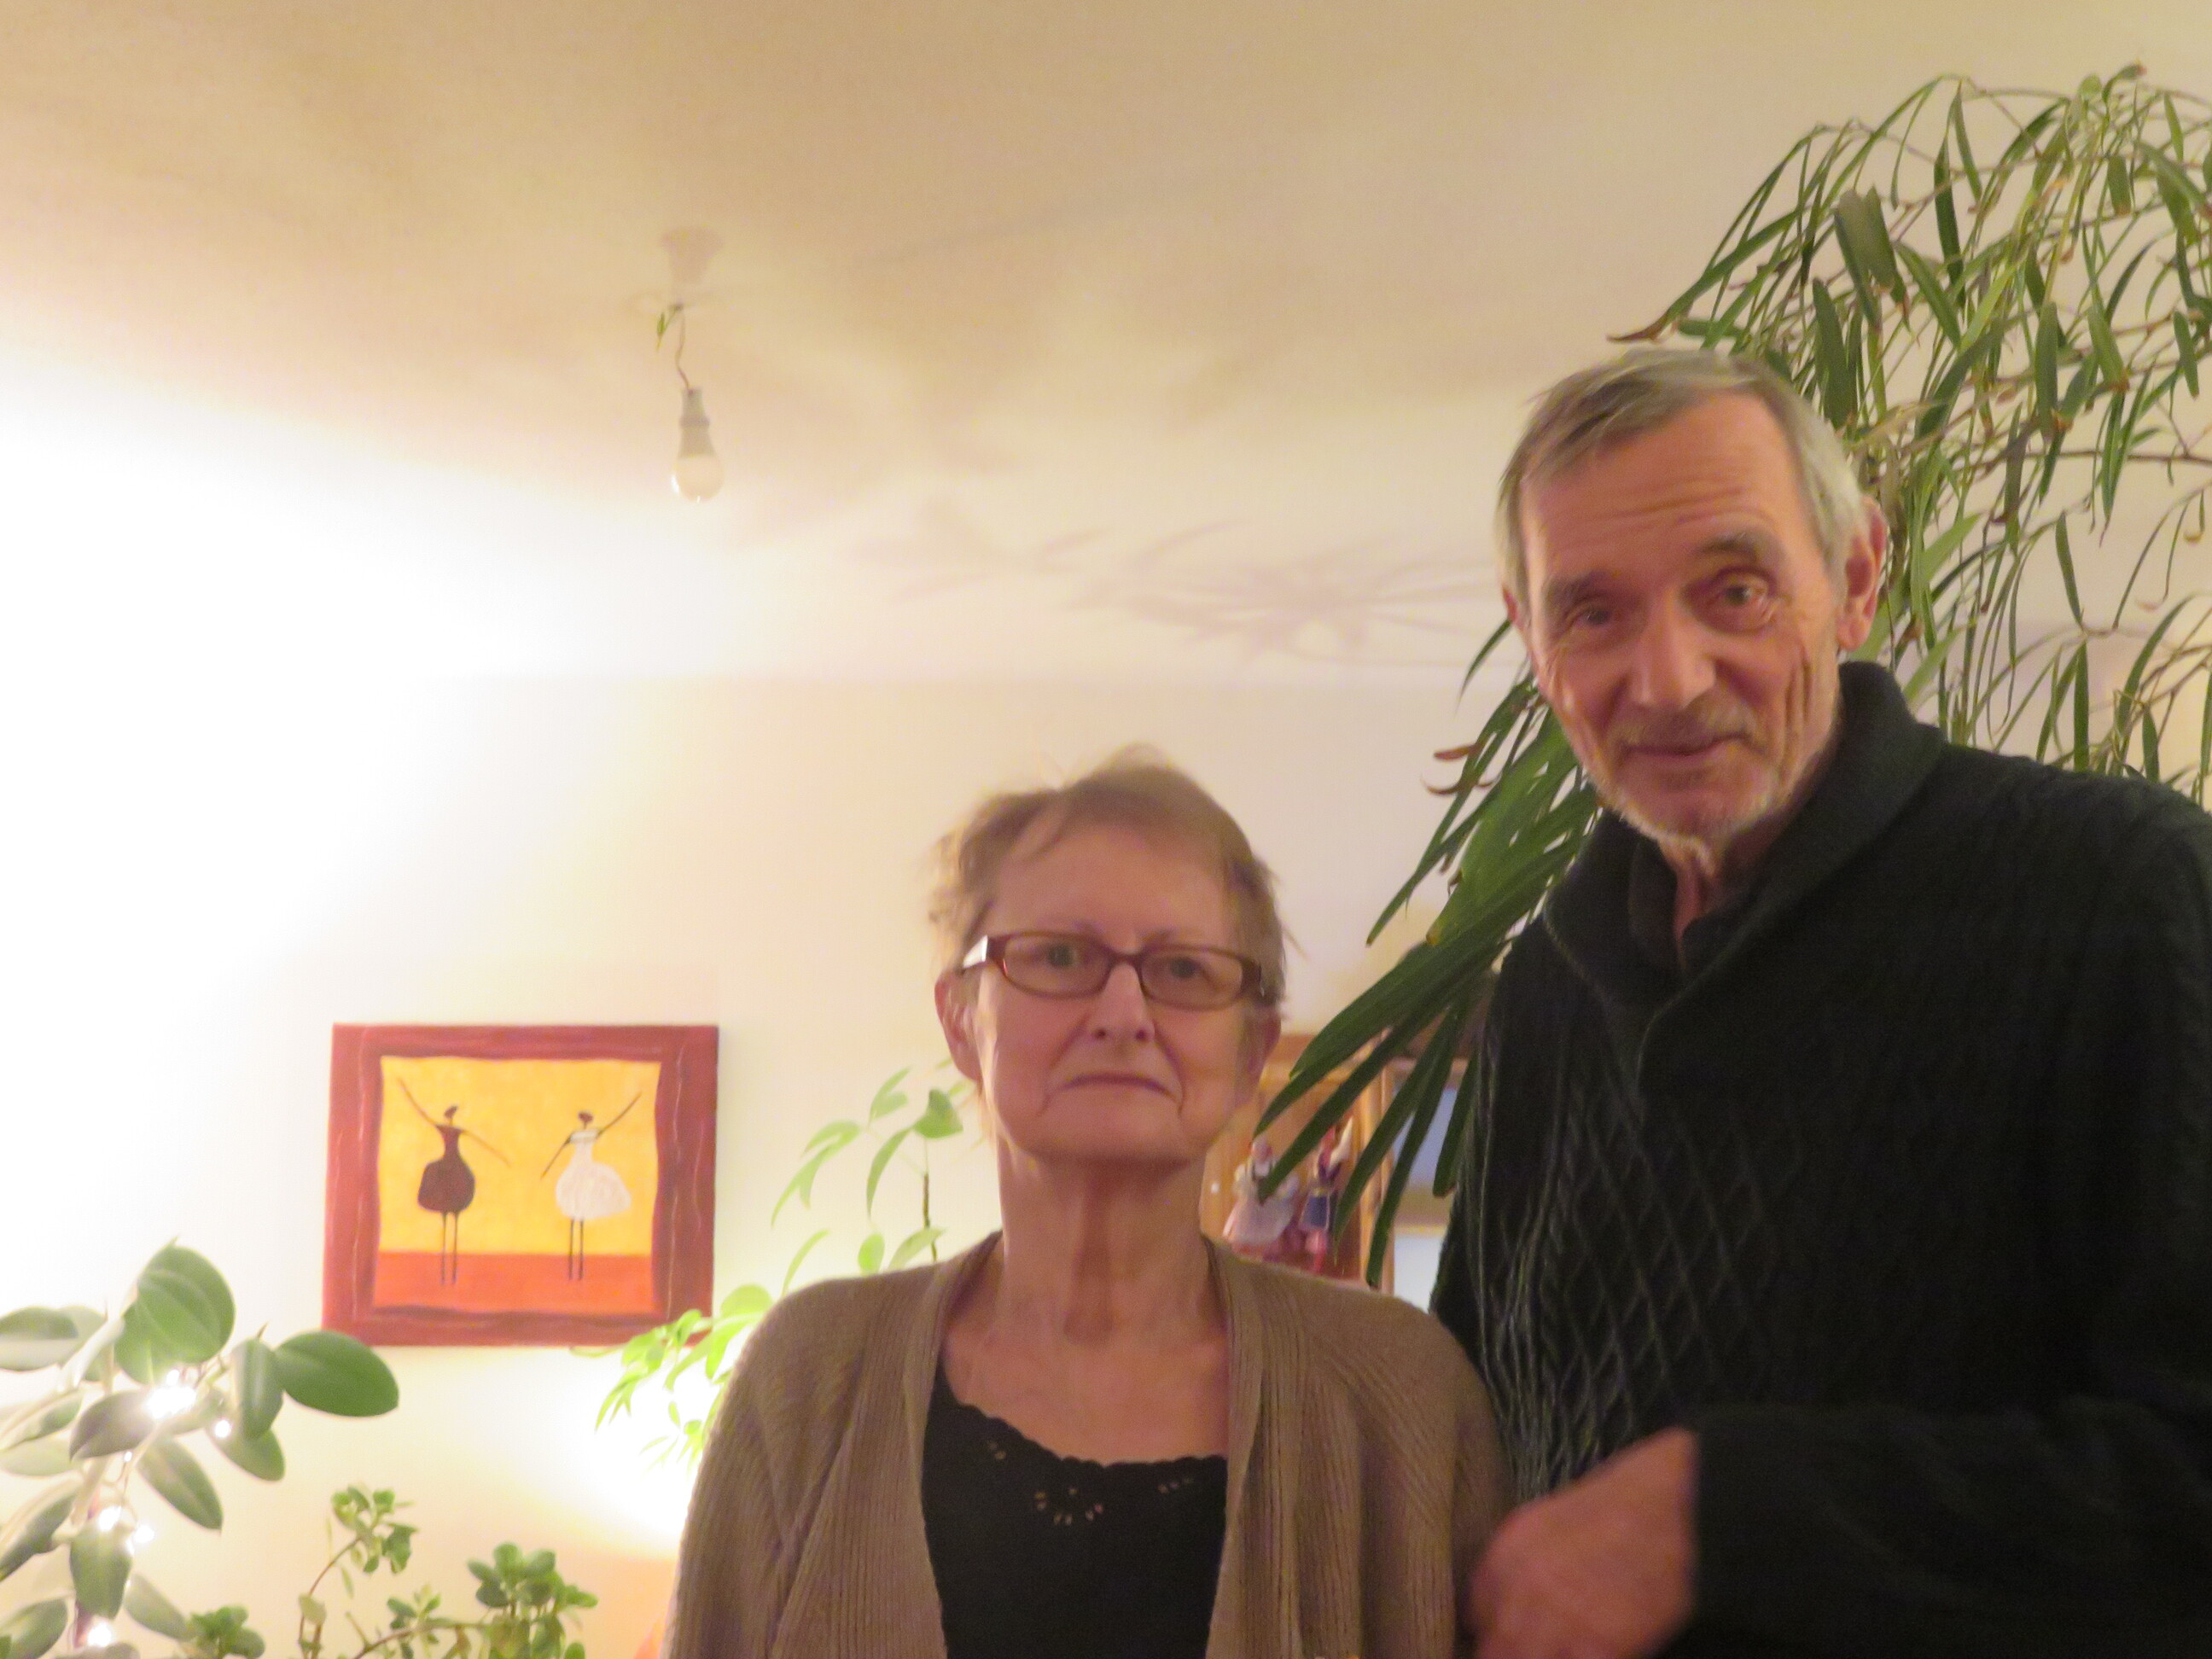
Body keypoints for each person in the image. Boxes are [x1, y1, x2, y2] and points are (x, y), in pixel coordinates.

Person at [1433, 346, 2212, 1658]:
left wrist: (1728, 1517)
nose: (1669, 680)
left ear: (1855, 580)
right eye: (1595, 614)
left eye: (1734, 591)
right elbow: (1475, 1452)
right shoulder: (1542, 998)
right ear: (1532, 640)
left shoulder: (2118, 895)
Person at [668, 752, 1504, 1659]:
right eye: (1060, 957)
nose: (1123, 1013)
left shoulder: (1401, 1399)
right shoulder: (806, 1379)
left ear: (1250, 1051)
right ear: (961, 1020)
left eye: (1183, 970)